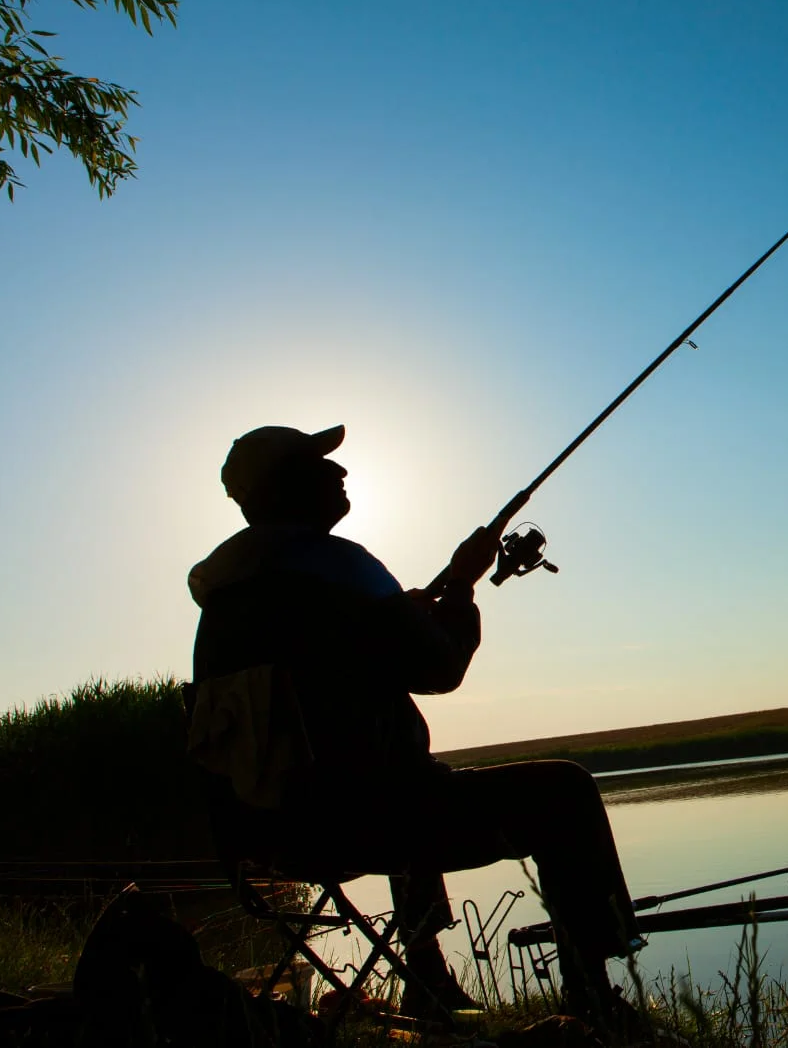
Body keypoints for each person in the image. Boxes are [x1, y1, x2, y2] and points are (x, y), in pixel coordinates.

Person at [186, 424, 644, 1025]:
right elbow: (439, 666)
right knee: (566, 791)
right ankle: (591, 997)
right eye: (322, 466)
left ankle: (426, 974)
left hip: (265, 840)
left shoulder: (223, 602)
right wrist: (459, 586)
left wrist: (399, 611)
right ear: (285, 486)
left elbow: (328, 674)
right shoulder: (340, 568)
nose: (340, 473)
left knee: (397, 771)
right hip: (365, 824)